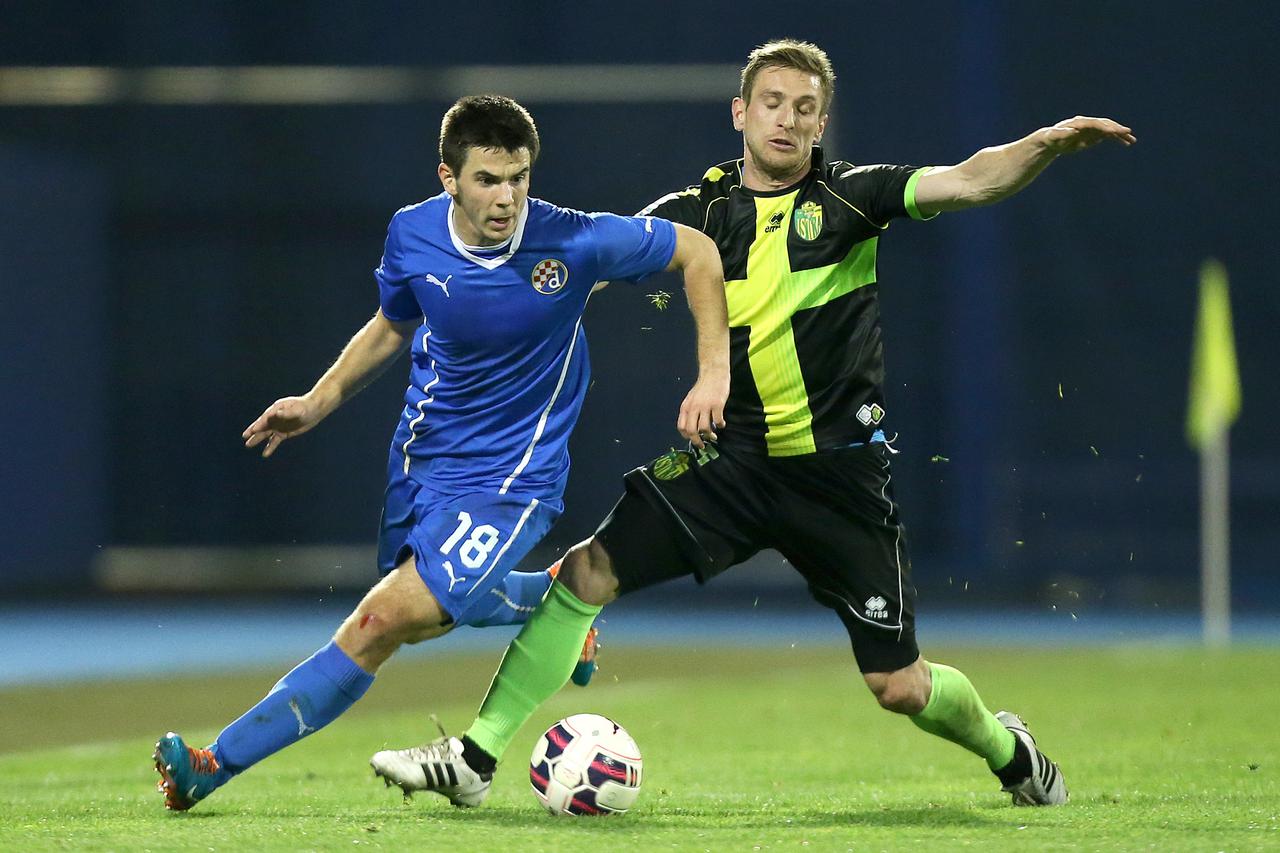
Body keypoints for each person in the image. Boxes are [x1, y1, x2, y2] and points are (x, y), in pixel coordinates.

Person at [372, 40, 1136, 809]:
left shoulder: (853, 200)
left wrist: (1043, 145)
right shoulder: (696, 213)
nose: (787, 119)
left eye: (805, 108)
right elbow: (573, 268)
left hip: (839, 477)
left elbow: (971, 179)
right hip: (727, 464)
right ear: (741, 112)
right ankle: (475, 757)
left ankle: (1013, 752)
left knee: (899, 685)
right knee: (584, 572)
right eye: (772, 102)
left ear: (821, 122)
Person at [152, 94, 730, 811]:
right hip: (423, 464)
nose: (508, 196)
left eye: (518, 176)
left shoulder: (573, 241)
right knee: (425, 617)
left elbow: (698, 253)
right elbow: (393, 324)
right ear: (447, 178)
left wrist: (713, 373)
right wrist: (316, 400)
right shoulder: (411, 234)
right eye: (488, 178)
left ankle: (213, 763)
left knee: (379, 621)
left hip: (512, 481)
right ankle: (553, 604)